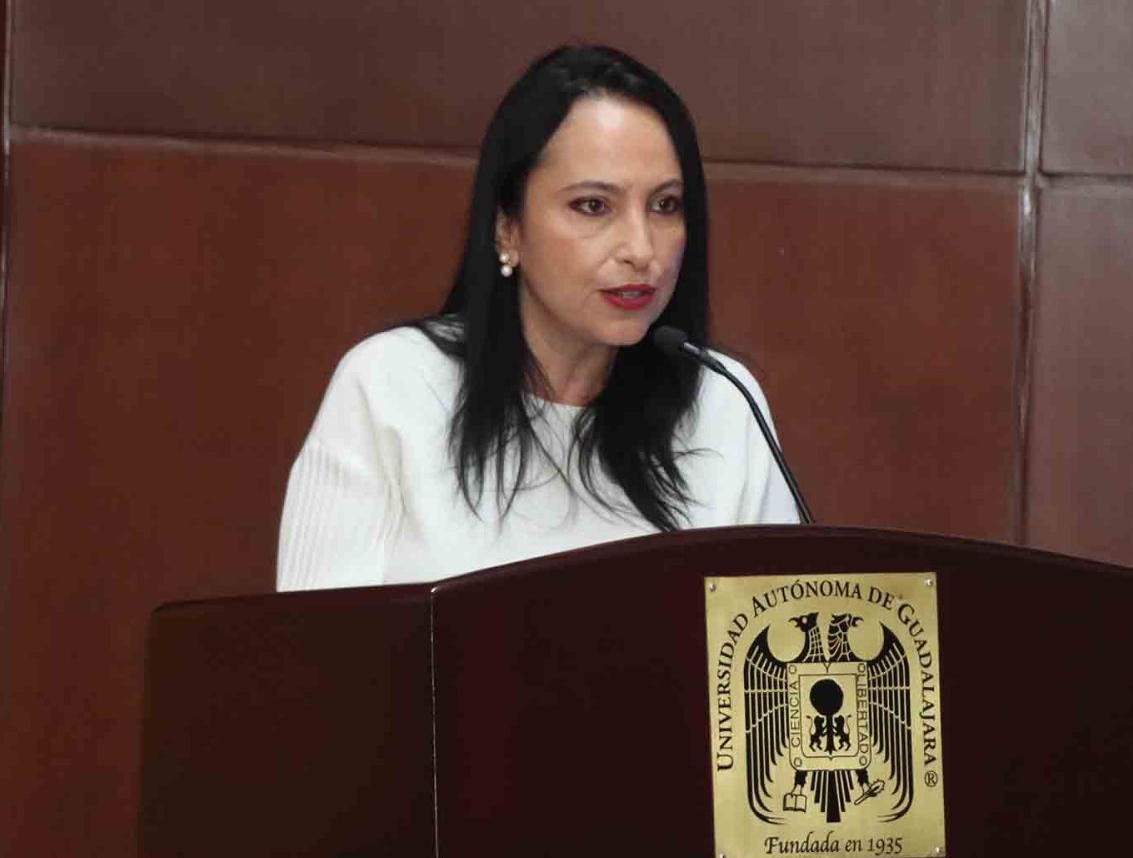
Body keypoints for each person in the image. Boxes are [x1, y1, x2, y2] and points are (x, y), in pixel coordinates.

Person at [277, 45, 799, 590]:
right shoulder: (390, 387)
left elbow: (783, 628)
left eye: (665, 205)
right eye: (593, 206)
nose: (642, 250)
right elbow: (316, 641)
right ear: (508, 228)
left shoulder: (722, 402)